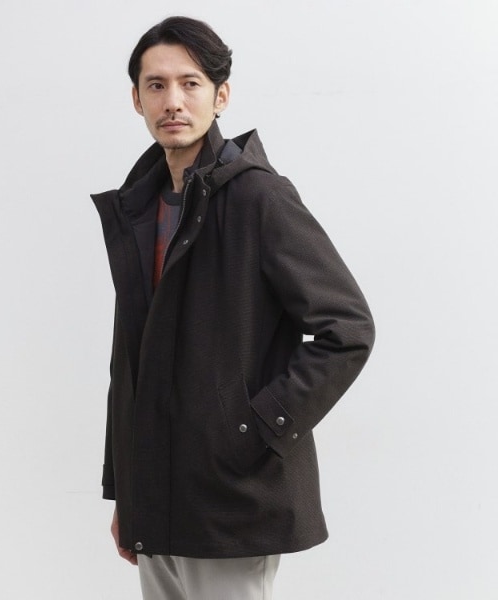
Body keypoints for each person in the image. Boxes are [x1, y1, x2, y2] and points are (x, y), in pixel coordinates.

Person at [90, 15, 375, 600]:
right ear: (136, 99)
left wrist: (253, 429)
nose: (172, 101)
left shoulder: (258, 197)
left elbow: (347, 329)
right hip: (158, 497)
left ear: (220, 96)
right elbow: (132, 361)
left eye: (190, 83)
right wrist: (128, 491)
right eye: (156, 85)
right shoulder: (141, 208)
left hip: (233, 498)